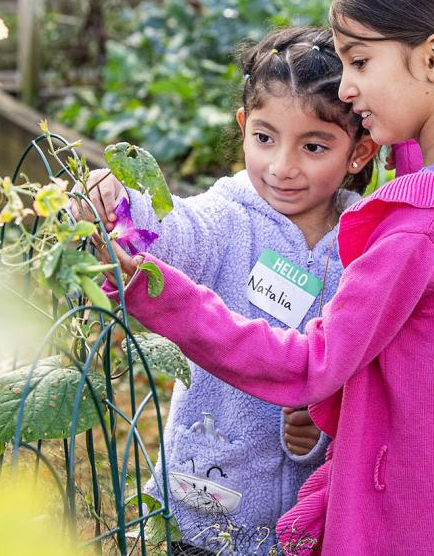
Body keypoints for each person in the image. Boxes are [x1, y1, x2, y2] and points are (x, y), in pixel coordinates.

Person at [101, 0, 434, 555]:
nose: (348, 88)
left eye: (359, 62)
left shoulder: (419, 232)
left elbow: (310, 364)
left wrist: (152, 288)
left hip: (407, 525)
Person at [78, 27, 382, 554]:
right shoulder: (227, 218)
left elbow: (368, 367)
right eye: (265, 138)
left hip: (314, 521)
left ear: (358, 153)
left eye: (313, 146)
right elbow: (173, 232)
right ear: (244, 127)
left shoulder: (368, 243)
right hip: (208, 503)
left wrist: (323, 425)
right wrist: (117, 201)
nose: (282, 166)